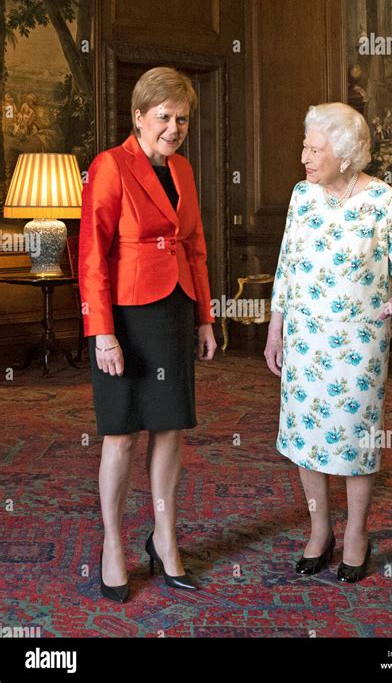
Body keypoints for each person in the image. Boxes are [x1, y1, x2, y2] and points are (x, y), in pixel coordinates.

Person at [264, 102, 392, 583]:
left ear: (343, 154)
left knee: (356, 442)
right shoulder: (302, 195)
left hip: (358, 345)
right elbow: (287, 267)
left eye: (314, 149)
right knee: (304, 440)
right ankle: (320, 531)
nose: (304, 157)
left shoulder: (382, 200)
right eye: (304, 146)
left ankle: (357, 531)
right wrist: (276, 328)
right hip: (304, 339)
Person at [78, 66, 217, 602]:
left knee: (169, 429)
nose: (174, 127)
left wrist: (205, 316)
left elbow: (196, 247)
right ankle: (113, 544)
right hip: (126, 317)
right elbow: (92, 255)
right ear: (138, 116)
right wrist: (102, 333)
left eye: (182, 118)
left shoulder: (182, 170)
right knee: (120, 433)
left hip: (175, 311)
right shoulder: (110, 167)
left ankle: (164, 537)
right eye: (164, 116)